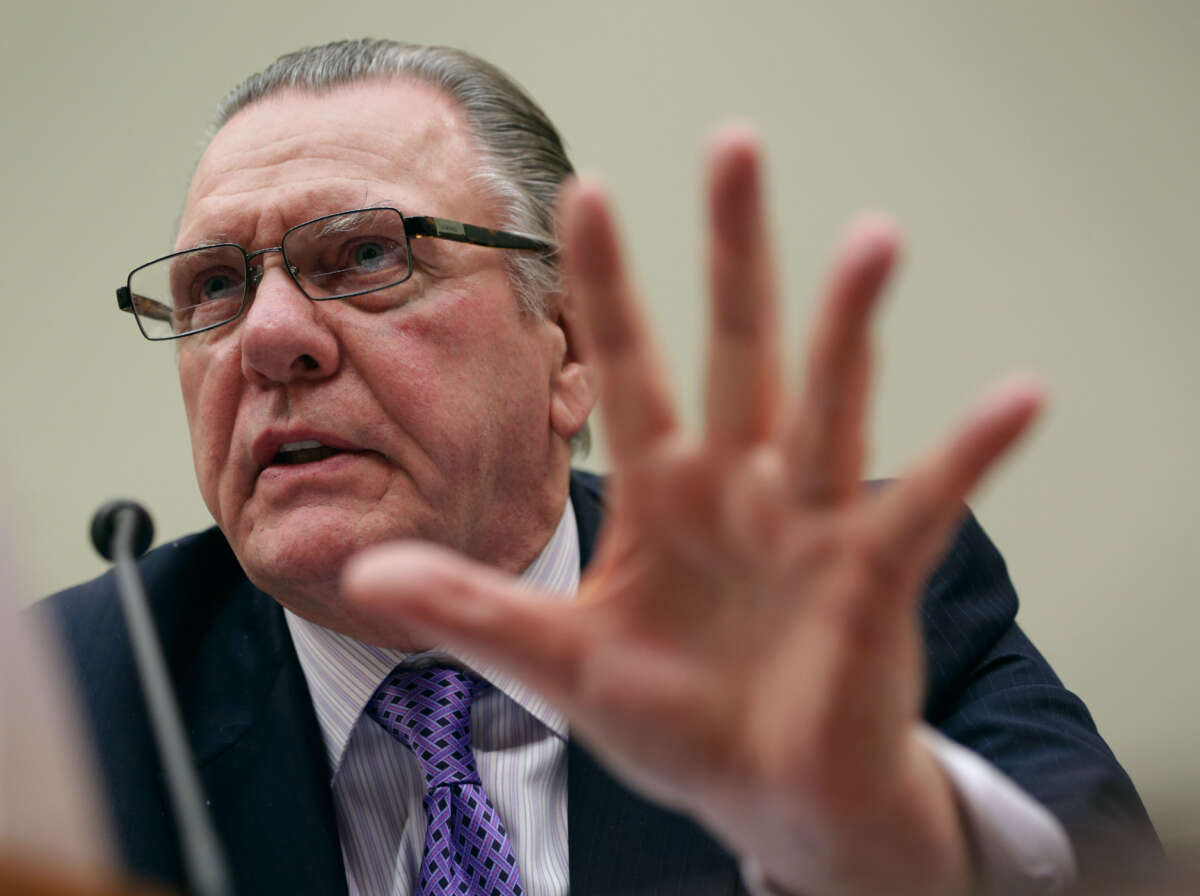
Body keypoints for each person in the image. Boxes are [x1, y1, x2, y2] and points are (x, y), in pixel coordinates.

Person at [43, 38, 1159, 896]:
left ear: (566, 344)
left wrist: (889, 845)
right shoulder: (60, 704)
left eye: (367, 254)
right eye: (216, 288)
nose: (271, 335)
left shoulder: (836, 606)